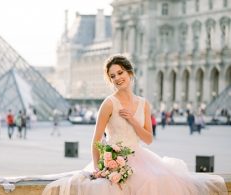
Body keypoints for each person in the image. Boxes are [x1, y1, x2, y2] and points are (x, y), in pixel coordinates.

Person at [43, 54, 227, 194]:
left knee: (156, 180)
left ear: (130, 73)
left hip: (140, 157)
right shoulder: (108, 104)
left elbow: (148, 138)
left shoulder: (143, 103)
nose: (117, 78)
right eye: (112, 76)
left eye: (120, 73)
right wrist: (99, 169)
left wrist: (132, 119)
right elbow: (96, 141)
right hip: (113, 160)